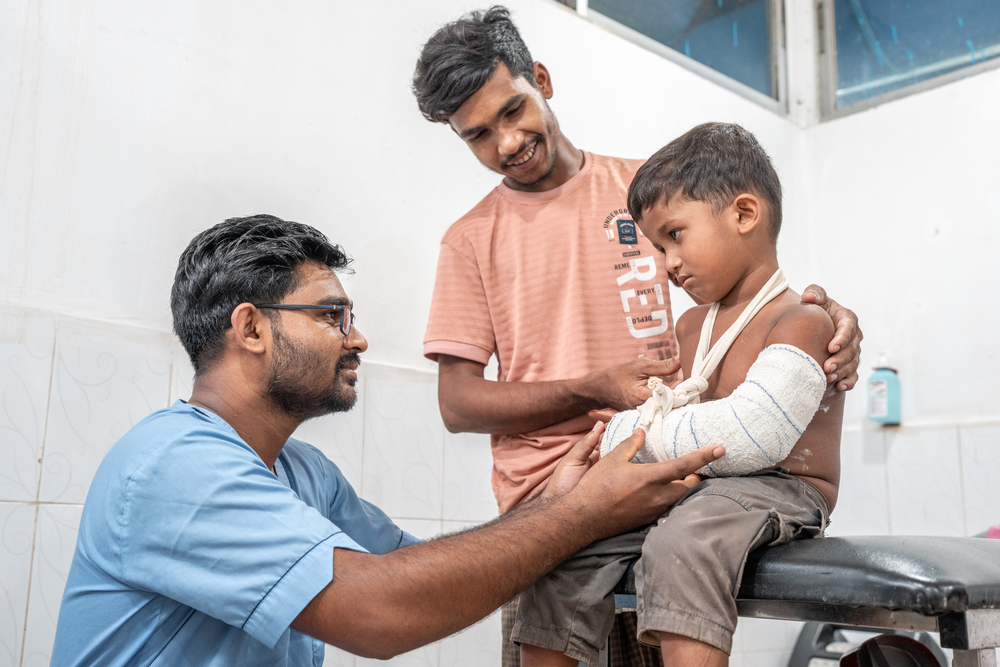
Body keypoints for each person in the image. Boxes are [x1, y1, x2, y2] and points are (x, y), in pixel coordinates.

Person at [49, 214, 727, 666]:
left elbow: (428, 575)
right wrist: (581, 513)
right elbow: (384, 610)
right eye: (331, 315)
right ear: (251, 329)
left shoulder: (302, 472)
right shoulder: (173, 467)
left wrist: (549, 503)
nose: (358, 336)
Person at [412, 6, 862, 665]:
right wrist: (592, 390)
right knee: (550, 613)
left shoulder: (653, 195)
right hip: (552, 515)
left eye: (512, 111)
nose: (504, 143)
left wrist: (829, 316)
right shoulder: (469, 240)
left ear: (541, 78)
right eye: (477, 134)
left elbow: (747, 287)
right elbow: (458, 403)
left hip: (674, 499)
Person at [512, 123, 844, 667]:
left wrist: (631, 432)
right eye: (658, 247)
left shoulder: (802, 320)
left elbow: (752, 438)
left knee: (683, 540)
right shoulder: (691, 327)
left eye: (675, 236)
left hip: (784, 489)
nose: (667, 263)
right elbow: (686, 423)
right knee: (562, 544)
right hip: (704, 485)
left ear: (743, 214)